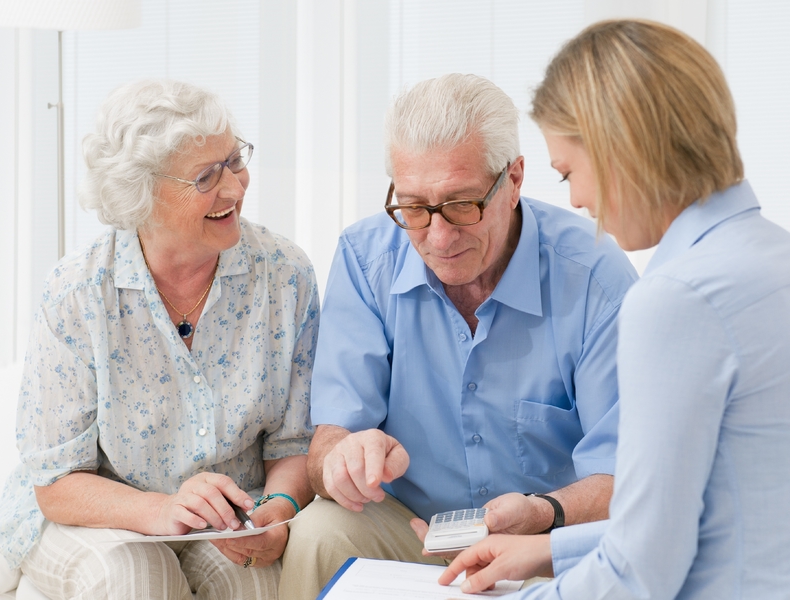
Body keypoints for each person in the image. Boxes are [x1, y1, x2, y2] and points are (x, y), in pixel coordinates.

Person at [440, 19, 790, 599]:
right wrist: (546, 550)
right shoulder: (770, 257)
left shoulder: (678, 299)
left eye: (570, 172)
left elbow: (641, 570)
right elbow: (693, 516)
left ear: (622, 147)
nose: (577, 200)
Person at [278, 73, 638, 599]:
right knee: (319, 532)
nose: (439, 237)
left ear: (513, 181)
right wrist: (346, 460)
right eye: (415, 208)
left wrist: (545, 513)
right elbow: (329, 441)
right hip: (410, 533)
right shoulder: (365, 258)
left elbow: (626, 475)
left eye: (462, 204)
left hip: (546, 541)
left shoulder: (595, 278)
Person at [0, 80, 319, 600]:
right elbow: (57, 483)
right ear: (139, 194)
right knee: (140, 581)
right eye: (206, 176)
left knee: (256, 586)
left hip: (229, 517)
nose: (234, 188)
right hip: (98, 513)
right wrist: (161, 510)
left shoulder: (284, 275)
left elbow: (293, 443)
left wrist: (277, 510)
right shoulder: (77, 293)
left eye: (234, 161)